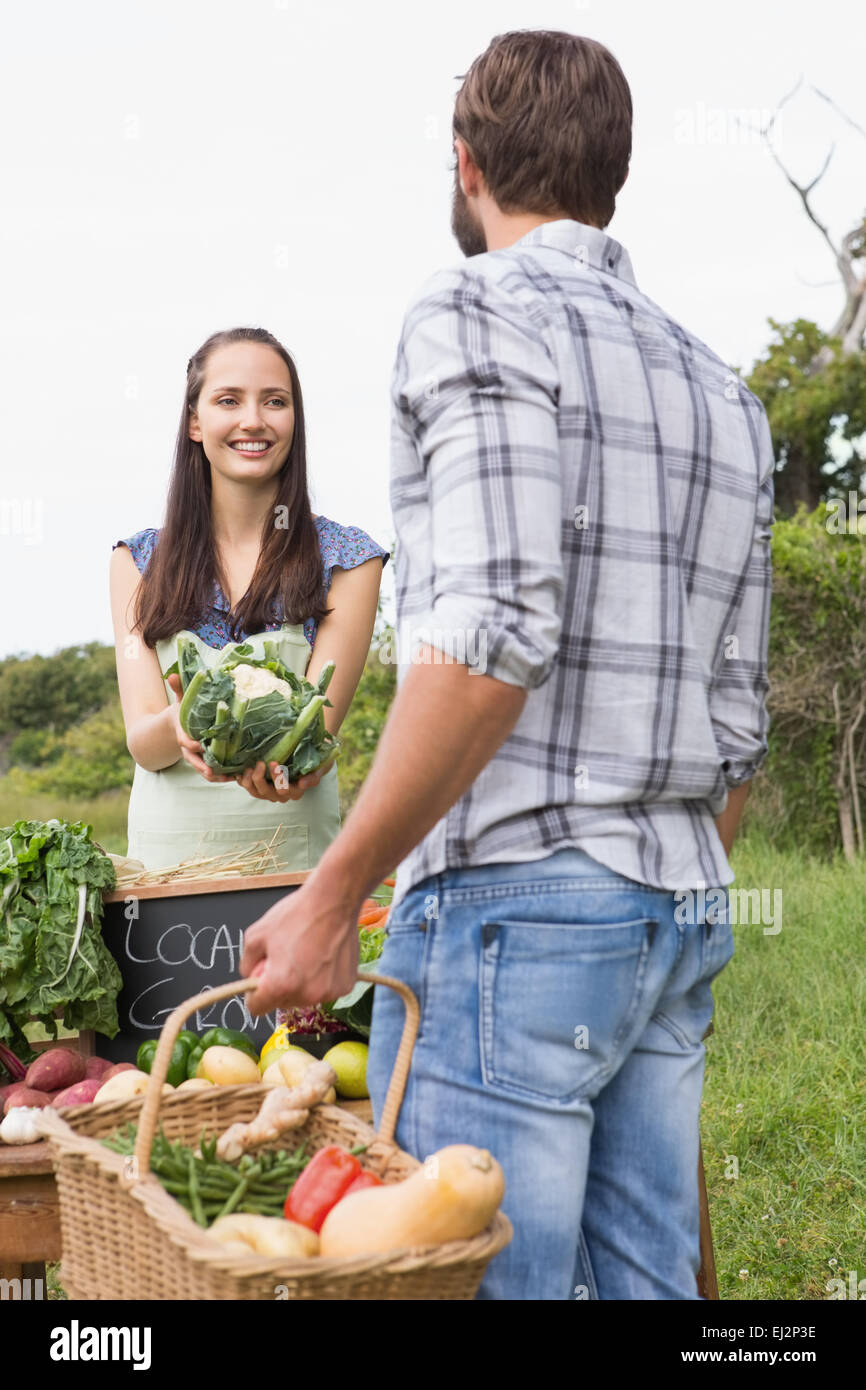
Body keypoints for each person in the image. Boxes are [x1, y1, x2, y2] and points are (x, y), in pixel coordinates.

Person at [241, 30, 774, 1300]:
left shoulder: (470, 308)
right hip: (678, 904)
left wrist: (333, 890)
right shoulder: (722, 388)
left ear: (465, 165)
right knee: (652, 1286)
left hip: (517, 913)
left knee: (495, 1286)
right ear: (613, 177)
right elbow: (739, 720)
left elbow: (490, 633)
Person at [110, 325, 390, 874]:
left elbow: (314, 737)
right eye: (228, 400)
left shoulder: (350, 561)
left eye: (275, 402)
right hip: (167, 878)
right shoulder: (137, 562)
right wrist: (182, 724)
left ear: (294, 420)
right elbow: (144, 741)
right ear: (195, 421)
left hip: (293, 870)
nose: (253, 421)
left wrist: (288, 772)